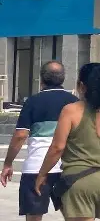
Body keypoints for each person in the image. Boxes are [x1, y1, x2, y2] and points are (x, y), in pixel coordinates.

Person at [34, 62, 100, 220]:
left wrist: (42, 174)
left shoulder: (71, 111)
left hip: (78, 180)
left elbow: (57, 147)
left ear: (82, 85)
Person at [1, 61, 78, 221]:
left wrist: (8, 163)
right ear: (63, 78)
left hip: (36, 167)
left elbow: (21, 135)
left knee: (34, 216)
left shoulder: (33, 101)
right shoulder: (75, 102)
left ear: (42, 79)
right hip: (67, 167)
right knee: (73, 215)